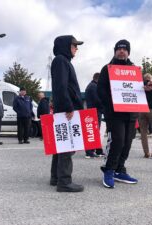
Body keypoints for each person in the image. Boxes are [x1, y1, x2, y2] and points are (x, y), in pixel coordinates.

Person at [97, 39, 138, 188]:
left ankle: (120, 169)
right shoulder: (107, 69)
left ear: (128, 52)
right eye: (119, 49)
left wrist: (146, 88)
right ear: (115, 51)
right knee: (118, 140)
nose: (122, 51)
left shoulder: (134, 69)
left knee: (127, 142)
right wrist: (112, 104)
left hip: (131, 113)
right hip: (115, 114)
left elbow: (137, 89)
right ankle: (109, 169)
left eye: (125, 49)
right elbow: (100, 91)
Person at [50, 35, 84, 192]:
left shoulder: (63, 61)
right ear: (66, 46)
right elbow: (60, 87)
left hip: (64, 108)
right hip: (66, 110)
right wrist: (69, 106)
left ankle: (56, 177)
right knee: (67, 145)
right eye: (74, 45)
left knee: (61, 144)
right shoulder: (61, 61)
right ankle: (64, 181)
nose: (76, 48)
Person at [85, 72, 105, 158]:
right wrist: (105, 107)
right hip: (94, 111)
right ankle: (89, 152)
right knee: (92, 132)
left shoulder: (91, 85)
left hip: (93, 111)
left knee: (95, 132)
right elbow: (97, 100)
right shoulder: (94, 86)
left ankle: (98, 150)